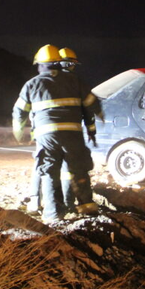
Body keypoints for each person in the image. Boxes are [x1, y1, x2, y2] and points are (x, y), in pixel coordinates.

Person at [13, 45, 102, 224]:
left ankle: (53, 215)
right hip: (73, 134)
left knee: (49, 172)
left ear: (40, 64)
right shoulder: (75, 81)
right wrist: (93, 128)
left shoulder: (32, 84)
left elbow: (19, 111)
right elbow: (91, 105)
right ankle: (86, 206)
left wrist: (18, 132)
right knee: (78, 169)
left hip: (47, 137)